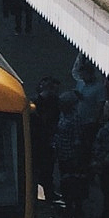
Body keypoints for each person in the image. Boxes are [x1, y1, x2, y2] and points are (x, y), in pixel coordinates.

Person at [53, 93, 93, 217]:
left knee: (74, 180)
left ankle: (76, 207)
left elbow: (77, 138)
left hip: (71, 154)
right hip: (62, 153)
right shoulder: (62, 115)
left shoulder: (75, 118)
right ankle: (68, 204)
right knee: (65, 179)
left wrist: (77, 156)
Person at [30, 76, 62, 207]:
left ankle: (47, 192)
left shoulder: (49, 101)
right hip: (40, 139)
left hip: (45, 139)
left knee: (45, 169)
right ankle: (45, 192)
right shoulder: (40, 102)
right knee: (41, 169)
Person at [71, 55, 107, 131]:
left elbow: (100, 105)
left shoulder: (99, 87)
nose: (83, 77)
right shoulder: (80, 83)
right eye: (81, 75)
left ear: (91, 74)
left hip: (90, 121)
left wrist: (95, 121)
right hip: (78, 118)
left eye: (84, 75)